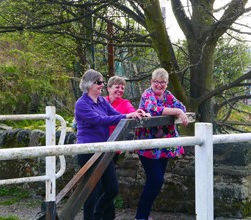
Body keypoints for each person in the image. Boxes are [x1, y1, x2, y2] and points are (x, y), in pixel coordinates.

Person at [75, 69, 145, 220]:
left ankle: (97, 213)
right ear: (89, 84)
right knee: (91, 192)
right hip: (88, 150)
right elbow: (99, 120)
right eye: (99, 82)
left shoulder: (102, 101)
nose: (102, 85)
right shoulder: (81, 104)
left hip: (104, 150)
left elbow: (114, 114)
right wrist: (127, 115)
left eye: (102, 82)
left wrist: (134, 114)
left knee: (112, 189)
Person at [134, 68, 189, 220]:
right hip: (148, 145)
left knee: (156, 181)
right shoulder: (147, 94)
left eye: (162, 83)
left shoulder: (168, 95)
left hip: (164, 146)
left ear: (166, 83)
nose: (159, 85)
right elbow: (153, 109)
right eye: (156, 82)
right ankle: (141, 216)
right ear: (151, 82)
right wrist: (177, 112)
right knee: (156, 180)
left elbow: (182, 107)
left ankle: (143, 216)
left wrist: (179, 111)